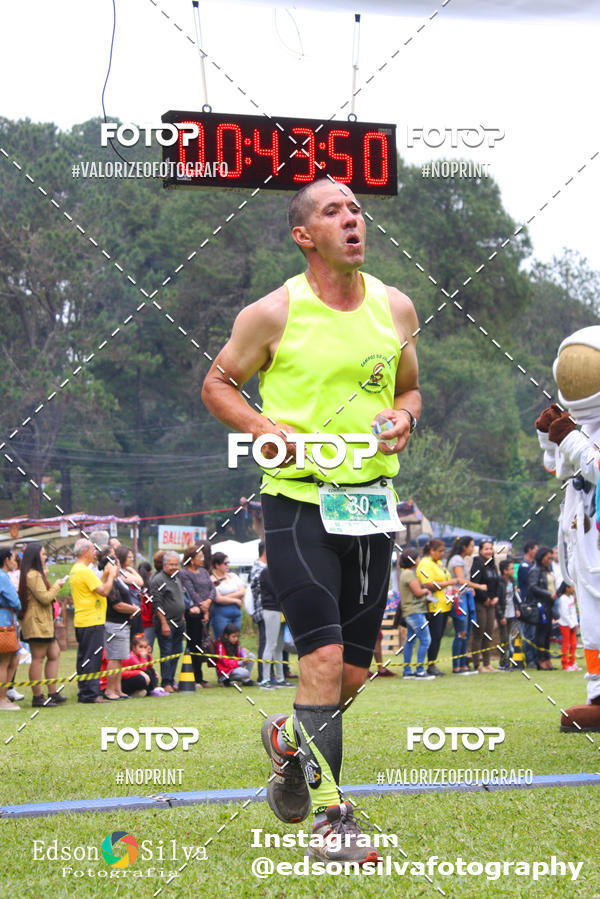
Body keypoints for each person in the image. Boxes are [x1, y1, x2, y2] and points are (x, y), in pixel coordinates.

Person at [202, 178, 420, 861]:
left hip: (371, 507)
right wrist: (266, 426)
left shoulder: (395, 307)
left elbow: (410, 386)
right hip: (298, 503)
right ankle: (335, 822)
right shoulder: (271, 313)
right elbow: (217, 381)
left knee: (351, 677)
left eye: (355, 208)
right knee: (321, 657)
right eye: (333, 211)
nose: (352, 218)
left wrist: (403, 417)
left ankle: (285, 739)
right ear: (305, 235)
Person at [18, 543, 68, 707]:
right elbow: (45, 598)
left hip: (44, 624)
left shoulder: (35, 575)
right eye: (43, 554)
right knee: (38, 658)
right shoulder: (33, 575)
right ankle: (37, 697)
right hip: (36, 624)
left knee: (54, 653)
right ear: (35, 556)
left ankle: (52, 692)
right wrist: (57, 586)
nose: (45, 556)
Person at [70, 538, 118, 703]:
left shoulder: (77, 569)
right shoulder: (84, 571)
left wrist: (104, 575)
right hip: (92, 620)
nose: (95, 553)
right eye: (92, 550)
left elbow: (96, 588)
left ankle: (85, 691)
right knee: (93, 657)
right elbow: (104, 591)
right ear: (85, 552)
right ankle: (91, 693)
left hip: (83, 620)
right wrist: (111, 576)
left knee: (84, 657)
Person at [99, 548, 140, 700]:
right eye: (115, 565)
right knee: (114, 658)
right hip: (114, 623)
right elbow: (116, 604)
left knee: (120, 658)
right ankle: (110, 690)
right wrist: (135, 609)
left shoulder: (118, 581)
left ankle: (118, 689)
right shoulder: (109, 583)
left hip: (123, 623)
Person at [416, 540, 459, 677]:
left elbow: (444, 581)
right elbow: (428, 584)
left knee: (439, 636)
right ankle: (428, 665)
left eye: (443, 551)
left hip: (444, 605)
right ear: (432, 551)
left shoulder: (439, 564)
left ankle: (432, 663)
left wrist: (450, 588)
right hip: (433, 606)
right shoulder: (425, 564)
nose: (442, 553)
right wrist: (448, 583)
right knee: (433, 636)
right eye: (440, 551)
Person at [179, 542, 215, 688]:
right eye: (199, 557)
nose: (202, 559)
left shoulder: (204, 572)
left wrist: (209, 601)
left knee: (202, 642)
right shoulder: (184, 573)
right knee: (194, 644)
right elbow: (191, 592)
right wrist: (203, 608)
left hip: (206, 609)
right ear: (191, 559)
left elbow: (212, 589)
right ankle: (194, 676)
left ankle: (200, 676)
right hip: (194, 614)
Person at [447, 536, 485, 674]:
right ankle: (457, 665)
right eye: (471, 546)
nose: (472, 549)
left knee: (466, 632)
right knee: (461, 632)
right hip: (459, 601)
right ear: (464, 547)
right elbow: (461, 580)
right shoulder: (457, 560)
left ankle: (463, 664)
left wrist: (471, 588)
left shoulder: (460, 560)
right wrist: (478, 586)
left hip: (465, 599)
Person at [150, 550, 186, 692]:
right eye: (170, 564)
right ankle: (166, 682)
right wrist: (164, 623)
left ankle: (171, 679)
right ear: (164, 564)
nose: (173, 567)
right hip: (166, 623)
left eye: (176, 564)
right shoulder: (158, 579)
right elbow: (157, 604)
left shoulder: (176, 578)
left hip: (179, 622)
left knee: (177, 652)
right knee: (167, 652)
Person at [399, 550, 433, 679]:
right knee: (425, 639)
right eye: (417, 558)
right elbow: (418, 592)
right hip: (415, 611)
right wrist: (425, 590)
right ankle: (420, 670)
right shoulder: (409, 574)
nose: (419, 560)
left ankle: (407, 670)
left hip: (410, 611)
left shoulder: (405, 573)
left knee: (410, 641)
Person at [258, 564, 290, 688]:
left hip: (281, 610)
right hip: (271, 609)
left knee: (279, 646)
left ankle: (280, 678)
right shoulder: (266, 572)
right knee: (271, 644)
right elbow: (275, 591)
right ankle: (265, 679)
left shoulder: (281, 570)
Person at [470, 541, 499, 672]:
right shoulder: (477, 564)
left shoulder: (492, 565)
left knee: (489, 633)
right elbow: (474, 584)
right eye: (486, 549)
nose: (489, 551)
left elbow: (497, 584)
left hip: (491, 604)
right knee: (479, 634)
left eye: (490, 549)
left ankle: (487, 663)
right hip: (480, 603)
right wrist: (485, 598)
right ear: (480, 551)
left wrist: (496, 597)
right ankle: (477, 664)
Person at [527, 546, 557, 671]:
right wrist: (548, 594)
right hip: (540, 605)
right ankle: (540, 659)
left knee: (547, 633)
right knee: (541, 633)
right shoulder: (535, 570)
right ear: (542, 557)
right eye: (548, 558)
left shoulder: (548, 570)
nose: (549, 560)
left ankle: (547, 658)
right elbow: (532, 587)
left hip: (549, 604)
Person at [0, 547, 21, 711]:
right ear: (6, 560)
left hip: (6, 622)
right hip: (4, 624)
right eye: (13, 557)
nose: (15, 561)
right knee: (4, 662)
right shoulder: (3, 577)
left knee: (13, 659)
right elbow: (15, 602)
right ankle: (1, 699)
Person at [210, 552, 244, 639]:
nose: (228, 565)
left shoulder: (233, 576)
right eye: (225, 563)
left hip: (236, 613)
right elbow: (217, 599)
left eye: (229, 563)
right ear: (217, 565)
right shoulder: (212, 579)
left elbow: (242, 592)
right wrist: (235, 600)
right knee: (222, 639)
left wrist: (225, 597)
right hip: (221, 614)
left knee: (235, 639)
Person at [496, 559, 520, 670]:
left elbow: (514, 597)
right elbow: (498, 601)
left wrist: (517, 609)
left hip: (511, 612)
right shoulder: (500, 582)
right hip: (503, 613)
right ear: (505, 571)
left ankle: (509, 661)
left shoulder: (513, 581)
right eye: (511, 568)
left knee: (510, 639)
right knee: (504, 639)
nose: (513, 570)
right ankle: (502, 663)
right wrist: (501, 616)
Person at [517, 541, 538, 670]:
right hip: (526, 602)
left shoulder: (532, 564)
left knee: (533, 632)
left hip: (533, 601)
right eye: (535, 549)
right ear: (529, 550)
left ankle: (533, 657)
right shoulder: (524, 566)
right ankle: (528, 658)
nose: (536, 551)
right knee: (527, 633)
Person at [249, 542, 267, 681]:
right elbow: (258, 588)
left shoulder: (266, 567)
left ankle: (270, 674)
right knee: (265, 643)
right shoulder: (258, 568)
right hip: (263, 609)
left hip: (272, 609)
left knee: (271, 644)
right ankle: (263, 676)